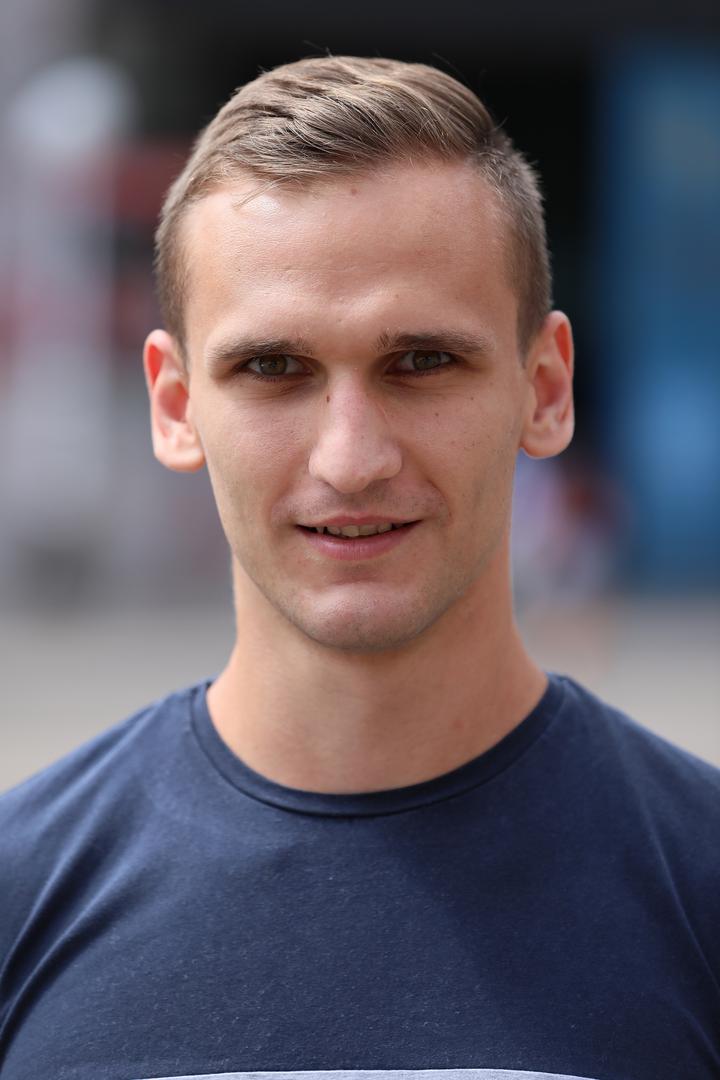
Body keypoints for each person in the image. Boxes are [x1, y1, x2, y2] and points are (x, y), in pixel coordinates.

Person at [0, 55, 718, 1080]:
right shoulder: (21, 892)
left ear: (546, 389)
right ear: (175, 406)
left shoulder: (700, 884)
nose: (351, 459)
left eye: (422, 362)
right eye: (273, 368)